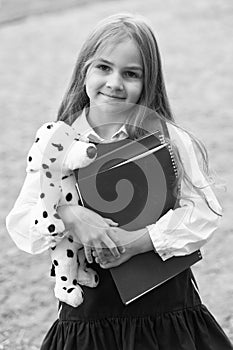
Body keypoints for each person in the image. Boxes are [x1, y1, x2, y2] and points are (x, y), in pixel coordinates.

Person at [6, 13, 233, 350]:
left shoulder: (168, 139)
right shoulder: (59, 143)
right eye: (103, 68)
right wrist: (69, 216)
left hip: (166, 309)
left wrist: (138, 242)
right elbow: (23, 222)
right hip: (90, 314)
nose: (114, 82)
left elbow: (205, 213)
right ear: (84, 70)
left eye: (131, 74)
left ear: (148, 82)